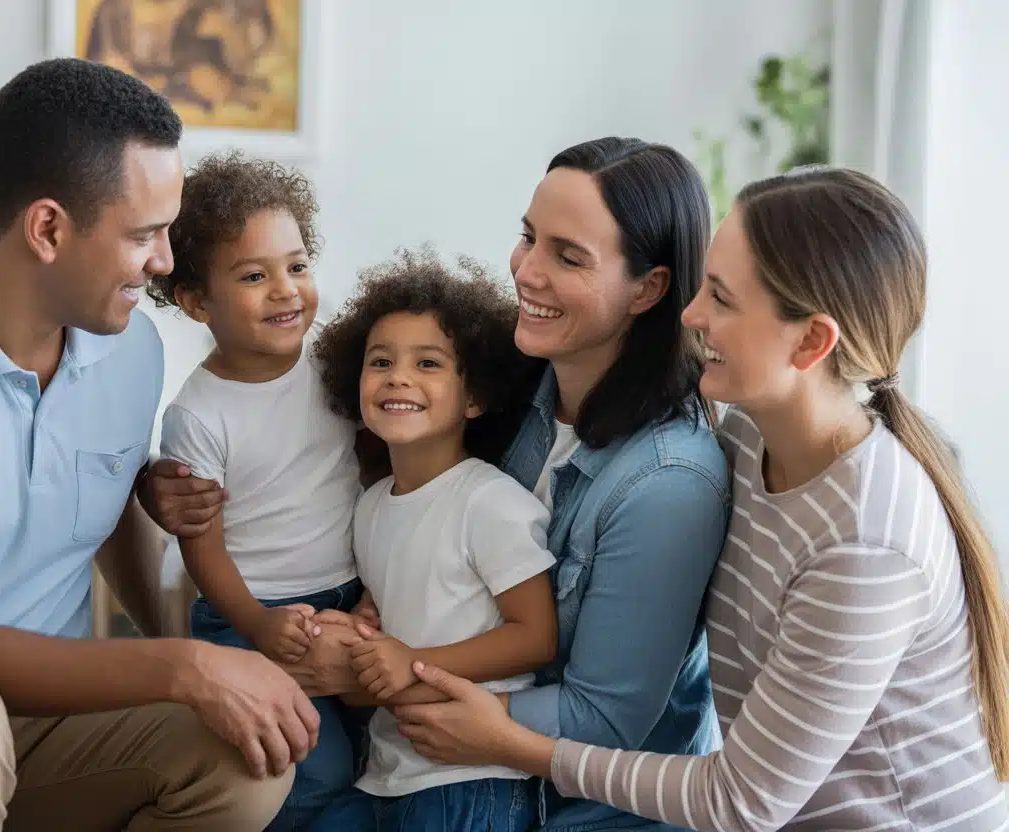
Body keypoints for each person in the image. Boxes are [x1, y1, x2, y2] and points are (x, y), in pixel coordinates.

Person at [392, 166, 1009, 830]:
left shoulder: (865, 546)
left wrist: (510, 742)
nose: (690, 315)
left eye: (720, 297)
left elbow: (738, 803)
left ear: (811, 342)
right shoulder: (748, 440)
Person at [149, 136, 732, 831]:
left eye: (567, 256)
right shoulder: (517, 393)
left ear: (649, 287)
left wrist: (384, 678)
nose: (528, 272)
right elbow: (381, 504)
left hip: (577, 809)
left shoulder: (667, 483)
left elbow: (604, 717)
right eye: (528, 238)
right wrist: (166, 488)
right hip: (414, 765)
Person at [0, 58, 315, 832]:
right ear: (47, 229)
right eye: (145, 234)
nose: (166, 262)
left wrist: (177, 641)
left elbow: (100, 516)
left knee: (242, 749)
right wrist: (186, 664)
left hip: (42, 729)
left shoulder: (129, 348)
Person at [146, 150, 370, 831]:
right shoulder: (198, 414)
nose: (286, 289)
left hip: (349, 600)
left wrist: (374, 593)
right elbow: (201, 548)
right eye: (253, 275)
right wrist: (257, 625)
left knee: (371, 756)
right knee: (309, 764)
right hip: (251, 615)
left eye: (297, 266)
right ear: (195, 301)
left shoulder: (337, 363)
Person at [303, 249, 558, 830]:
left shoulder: (489, 503)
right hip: (386, 775)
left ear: (474, 397)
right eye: (381, 361)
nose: (399, 376)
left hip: (471, 779)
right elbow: (391, 643)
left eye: (429, 364)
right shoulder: (369, 508)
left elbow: (536, 637)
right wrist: (359, 655)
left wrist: (410, 662)